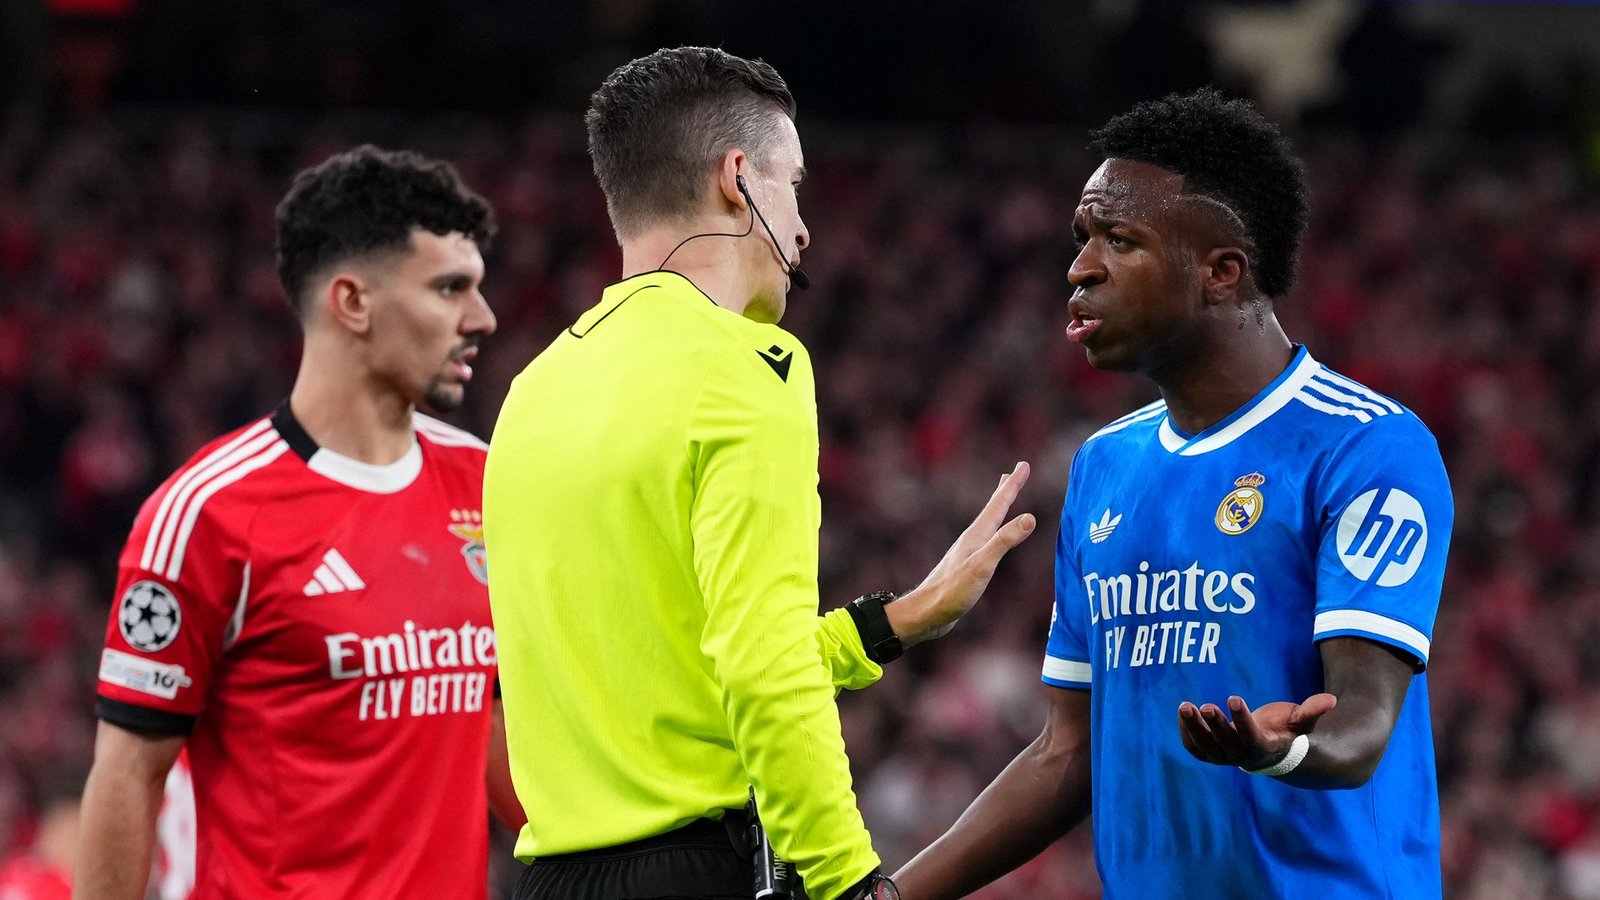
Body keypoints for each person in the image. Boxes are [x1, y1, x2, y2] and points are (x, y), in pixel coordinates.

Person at [483, 47, 1035, 900]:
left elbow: (674, 672)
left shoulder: (532, 391)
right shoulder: (752, 366)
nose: (805, 227)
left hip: (546, 879)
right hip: (698, 869)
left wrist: (892, 623)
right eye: (796, 184)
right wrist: (853, 880)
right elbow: (762, 663)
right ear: (739, 177)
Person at [894, 89, 1453, 898]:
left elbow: (1362, 726)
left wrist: (1281, 749)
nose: (1080, 268)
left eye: (1120, 241)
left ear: (1221, 274)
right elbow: (1066, 754)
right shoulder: (1104, 465)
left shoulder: (1366, 445)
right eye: (1084, 237)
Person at [75, 145, 524, 899]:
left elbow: (494, 730)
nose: (483, 317)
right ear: (352, 302)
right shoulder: (207, 515)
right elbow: (128, 773)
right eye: (451, 288)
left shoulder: (487, 483)